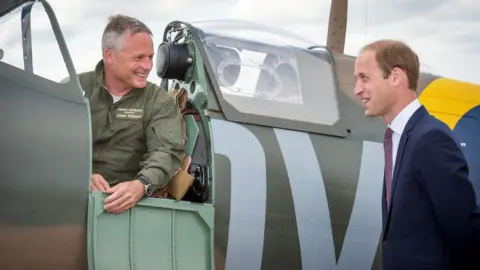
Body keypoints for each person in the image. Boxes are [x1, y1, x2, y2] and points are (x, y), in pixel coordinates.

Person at [354, 39, 478, 269]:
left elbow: (463, 230)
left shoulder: (430, 139)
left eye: (365, 78)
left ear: (396, 77)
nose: (357, 89)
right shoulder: (399, 138)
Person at [78, 15, 185, 214]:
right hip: (69, 196)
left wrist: (141, 185)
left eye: (151, 57)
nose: (147, 66)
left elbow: (166, 152)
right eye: (138, 58)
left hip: (125, 206)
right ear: (109, 56)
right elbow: (51, 145)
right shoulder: (76, 88)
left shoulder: (158, 101)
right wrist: (81, 175)